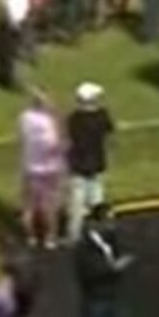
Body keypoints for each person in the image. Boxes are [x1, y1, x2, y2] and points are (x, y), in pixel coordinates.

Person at [74, 204, 134, 317]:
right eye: (108, 220)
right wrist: (114, 268)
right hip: (95, 298)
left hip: (109, 294)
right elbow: (87, 272)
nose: (112, 224)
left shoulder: (109, 240)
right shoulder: (84, 246)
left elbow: (113, 257)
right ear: (97, 222)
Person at [66, 82, 115, 244]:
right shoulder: (101, 116)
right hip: (97, 163)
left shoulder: (74, 119)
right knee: (97, 201)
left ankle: (74, 235)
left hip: (78, 165)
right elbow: (110, 135)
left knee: (76, 204)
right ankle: (99, 233)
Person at [18, 92, 66, 249]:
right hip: (49, 170)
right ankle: (50, 238)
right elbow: (58, 144)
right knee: (50, 206)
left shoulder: (25, 118)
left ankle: (30, 237)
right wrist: (55, 113)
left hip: (29, 168)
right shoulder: (49, 125)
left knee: (29, 206)